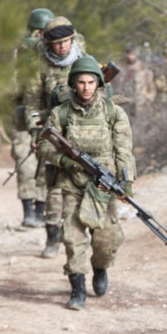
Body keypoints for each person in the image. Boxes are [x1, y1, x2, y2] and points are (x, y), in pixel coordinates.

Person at [37, 56, 136, 310]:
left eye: (91, 82)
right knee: (73, 238)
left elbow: (124, 151)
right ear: (74, 84)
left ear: (99, 83)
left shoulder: (113, 112)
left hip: (104, 187)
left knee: (106, 240)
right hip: (72, 185)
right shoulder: (61, 113)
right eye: (81, 82)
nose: (86, 87)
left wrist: (127, 183)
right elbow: (45, 147)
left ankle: (100, 267)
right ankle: (77, 289)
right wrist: (66, 162)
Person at [23, 15, 87, 257]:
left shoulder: (82, 59)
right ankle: (52, 237)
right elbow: (32, 104)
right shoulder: (38, 67)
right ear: (48, 44)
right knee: (54, 185)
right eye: (57, 43)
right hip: (53, 130)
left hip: (82, 127)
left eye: (66, 42)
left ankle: (81, 234)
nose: (62, 47)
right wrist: (36, 131)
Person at [11, 7, 54, 228]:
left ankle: (39, 209)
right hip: (22, 112)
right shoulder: (22, 51)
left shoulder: (53, 52)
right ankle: (31, 210)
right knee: (26, 159)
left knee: (43, 161)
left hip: (45, 114)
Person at [118, 43, 156, 121]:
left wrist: (148, 99)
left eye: (133, 54)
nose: (130, 56)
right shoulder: (122, 68)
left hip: (140, 103)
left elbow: (151, 87)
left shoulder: (144, 69)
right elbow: (119, 86)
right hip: (127, 102)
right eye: (128, 54)